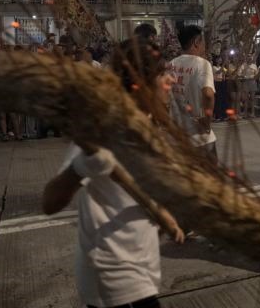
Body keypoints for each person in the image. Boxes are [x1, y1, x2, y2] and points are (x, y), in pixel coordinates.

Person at [42, 38, 184, 308]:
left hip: (142, 270)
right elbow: (49, 202)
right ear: (139, 84)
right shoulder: (103, 132)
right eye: (163, 74)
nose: (172, 81)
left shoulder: (150, 128)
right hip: (111, 278)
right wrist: (81, 167)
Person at [169, 25, 218, 161]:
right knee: (211, 179)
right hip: (199, 138)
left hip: (177, 136)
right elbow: (208, 94)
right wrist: (207, 122)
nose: (204, 47)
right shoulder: (202, 64)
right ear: (196, 42)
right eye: (203, 42)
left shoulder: (171, 64)